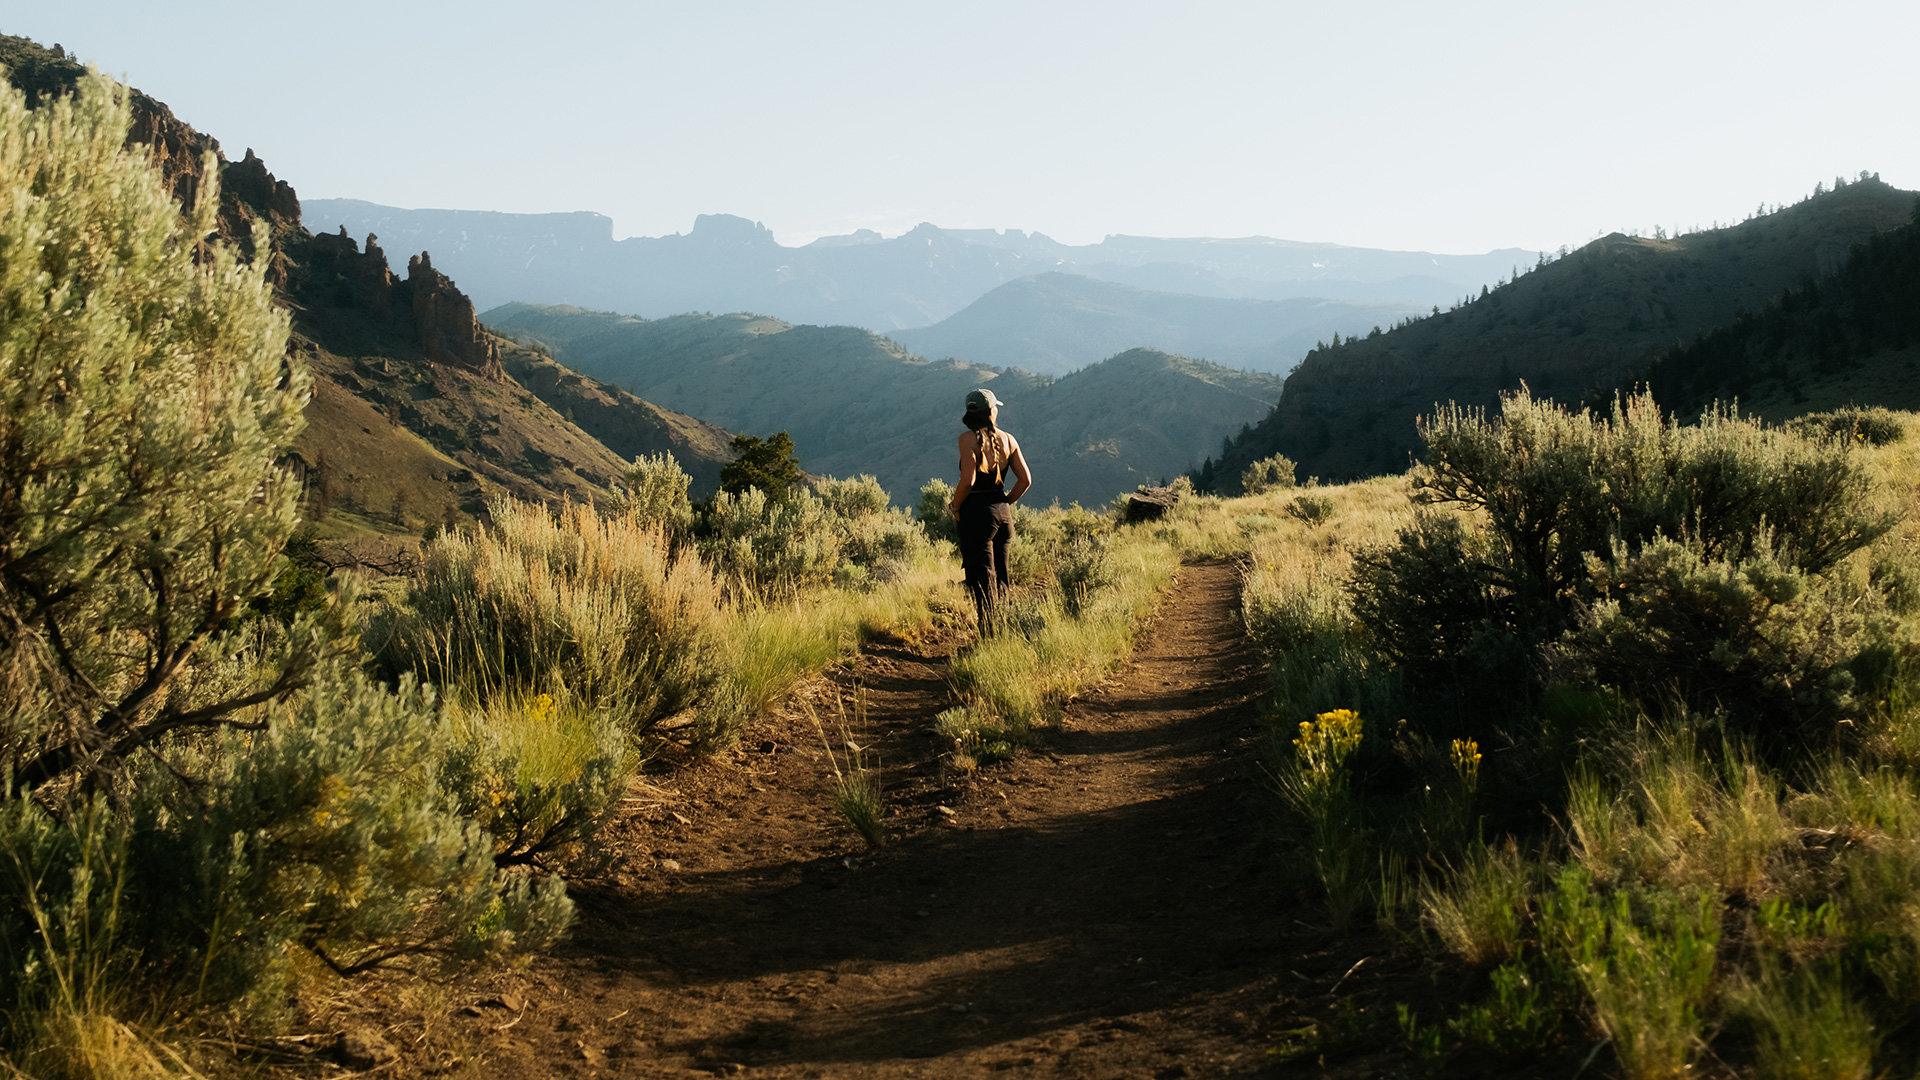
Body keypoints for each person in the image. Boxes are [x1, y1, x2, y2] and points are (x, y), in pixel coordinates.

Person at [948, 387, 1032, 634]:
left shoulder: (967, 440)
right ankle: (1005, 632)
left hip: (976, 514)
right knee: (1002, 577)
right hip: (1002, 515)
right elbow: (1025, 480)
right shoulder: (1009, 439)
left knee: (983, 579)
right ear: (991, 412)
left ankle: (989, 637)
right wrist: (1005, 502)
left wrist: (955, 506)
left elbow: (967, 481)